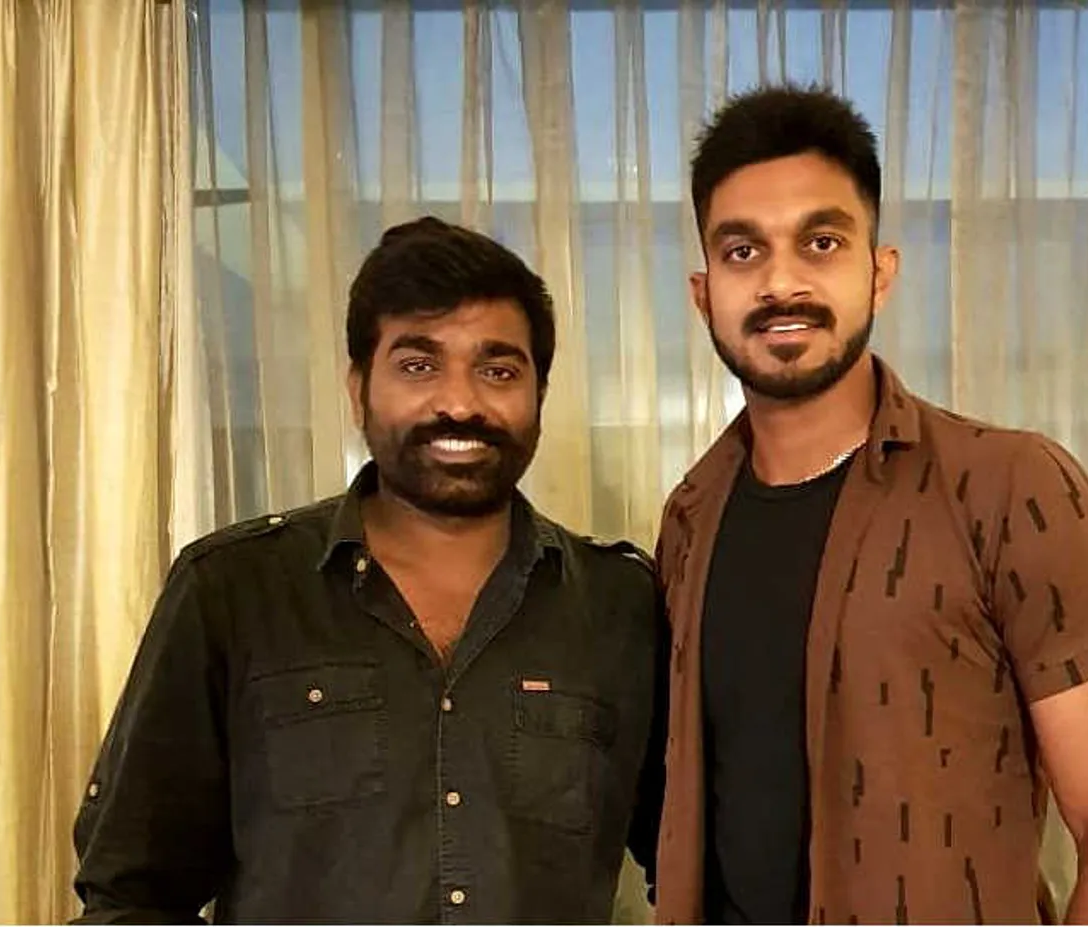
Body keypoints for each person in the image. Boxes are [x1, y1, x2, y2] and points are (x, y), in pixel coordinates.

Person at [650, 86, 1088, 925]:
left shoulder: (1011, 486)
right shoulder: (689, 516)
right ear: (703, 290)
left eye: (821, 242)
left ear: (880, 272)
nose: (781, 281)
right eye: (743, 251)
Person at [72, 217, 666, 923]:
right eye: (417, 365)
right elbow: (131, 894)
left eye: (498, 370)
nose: (459, 402)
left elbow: (695, 866)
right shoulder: (231, 590)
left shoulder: (621, 605)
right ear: (358, 389)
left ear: (540, 395)